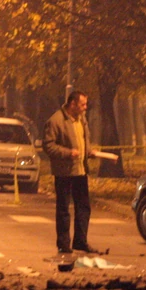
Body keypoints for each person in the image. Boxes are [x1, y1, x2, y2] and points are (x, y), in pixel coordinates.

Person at [43, 91, 101, 254]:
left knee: (83, 207)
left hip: (80, 170)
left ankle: (80, 241)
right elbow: (48, 145)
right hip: (64, 172)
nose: (85, 107)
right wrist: (68, 153)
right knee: (63, 209)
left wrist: (89, 151)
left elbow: (83, 140)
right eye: (82, 104)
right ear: (72, 104)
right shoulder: (56, 121)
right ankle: (63, 244)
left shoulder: (82, 119)